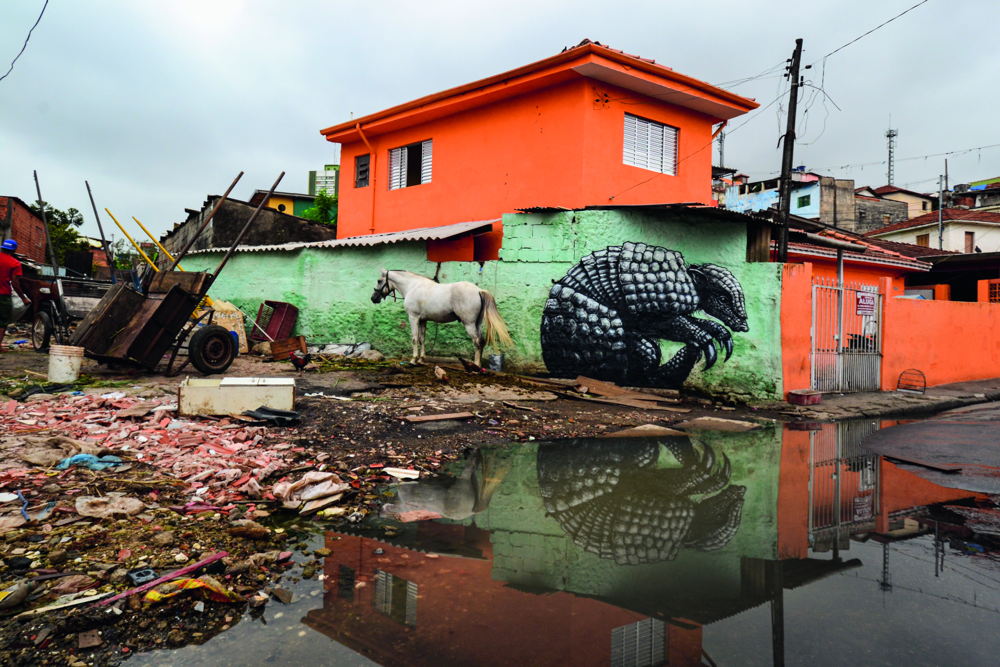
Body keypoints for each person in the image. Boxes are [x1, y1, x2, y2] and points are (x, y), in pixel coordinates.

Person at [0, 239, 31, 349]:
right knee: (2, 321)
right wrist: (23, 298)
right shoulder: (15, 263)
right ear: (14, 250)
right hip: (3, 295)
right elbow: (15, 283)